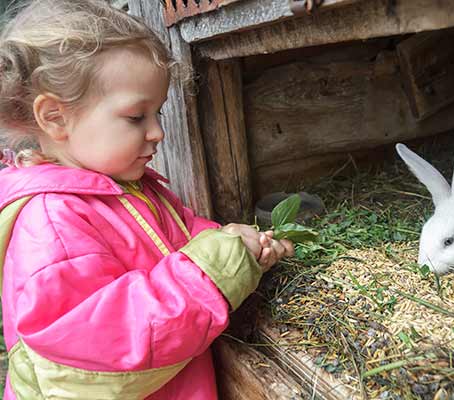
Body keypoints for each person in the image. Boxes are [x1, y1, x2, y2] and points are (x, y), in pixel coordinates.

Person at [0, 1, 294, 398]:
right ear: (55, 117)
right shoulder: (52, 223)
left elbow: (177, 237)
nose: (157, 132)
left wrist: (240, 245)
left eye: (158, 112)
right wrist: (215, 272)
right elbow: (100, 349)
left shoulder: (128, 186)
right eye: (137, 117)